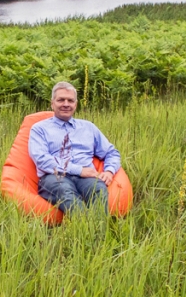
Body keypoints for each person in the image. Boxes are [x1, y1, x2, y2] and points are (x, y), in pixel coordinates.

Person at [28, 81, 121, 215]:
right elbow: (42, 159)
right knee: (65, 191)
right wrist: (79, 170)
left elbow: (111, 152)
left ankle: (97, 234)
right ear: (52, 103)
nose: (66, 104)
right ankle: (86, 232)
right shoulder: (39, 129)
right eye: (61, 100)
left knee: (99, 190)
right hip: (55, 177)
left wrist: (109, 171)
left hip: (87, 178)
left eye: (70, 100)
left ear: (75, 104)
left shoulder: (88, 127)